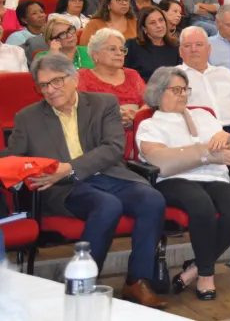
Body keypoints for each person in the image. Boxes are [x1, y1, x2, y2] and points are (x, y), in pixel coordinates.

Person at [2, 53, 167, 308]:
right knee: (107, 205)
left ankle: (138, 279)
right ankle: (83, 286)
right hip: (64, 188)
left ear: (74, 79)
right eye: (43, 85)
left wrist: (71, 167)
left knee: (152, 199)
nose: (50, 90)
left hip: (107, 174)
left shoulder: (104, 104)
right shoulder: (28, 117)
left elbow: (113, 147)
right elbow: (14, 158)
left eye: (56, 81)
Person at [136, 67, 230, 301]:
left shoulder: (204, 116)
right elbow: (163, 161)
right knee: (201, 205)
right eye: (175, 90)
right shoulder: (150, 125)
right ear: (158, 93)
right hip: (174, 181)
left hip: (213, 178)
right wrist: (208, 153)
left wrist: (228, 138)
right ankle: (206, 275)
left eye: (185, 89)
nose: (183, 95)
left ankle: (195, 267)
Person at [179, 27, 230, 141]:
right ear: (180, 51)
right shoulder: (174, 77)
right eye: (187, 46)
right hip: (200, 134)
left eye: (199, 44)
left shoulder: (224, 73)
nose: (194, 49)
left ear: (209, 49)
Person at [78, 28, 147, 149]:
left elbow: (149, 103)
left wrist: (137, 115)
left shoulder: (132, 75)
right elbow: (81, 113)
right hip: (102, 139)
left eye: (122, 50)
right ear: (95, 54)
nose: (119, 53)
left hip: (138, 132)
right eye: (112, 49)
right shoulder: (82, 77)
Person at [124, 6, 180, 82]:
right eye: (152, 23)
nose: (159, 25)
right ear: (144, 28)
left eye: (161, 20)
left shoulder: (175, 46)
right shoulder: (132, 46)